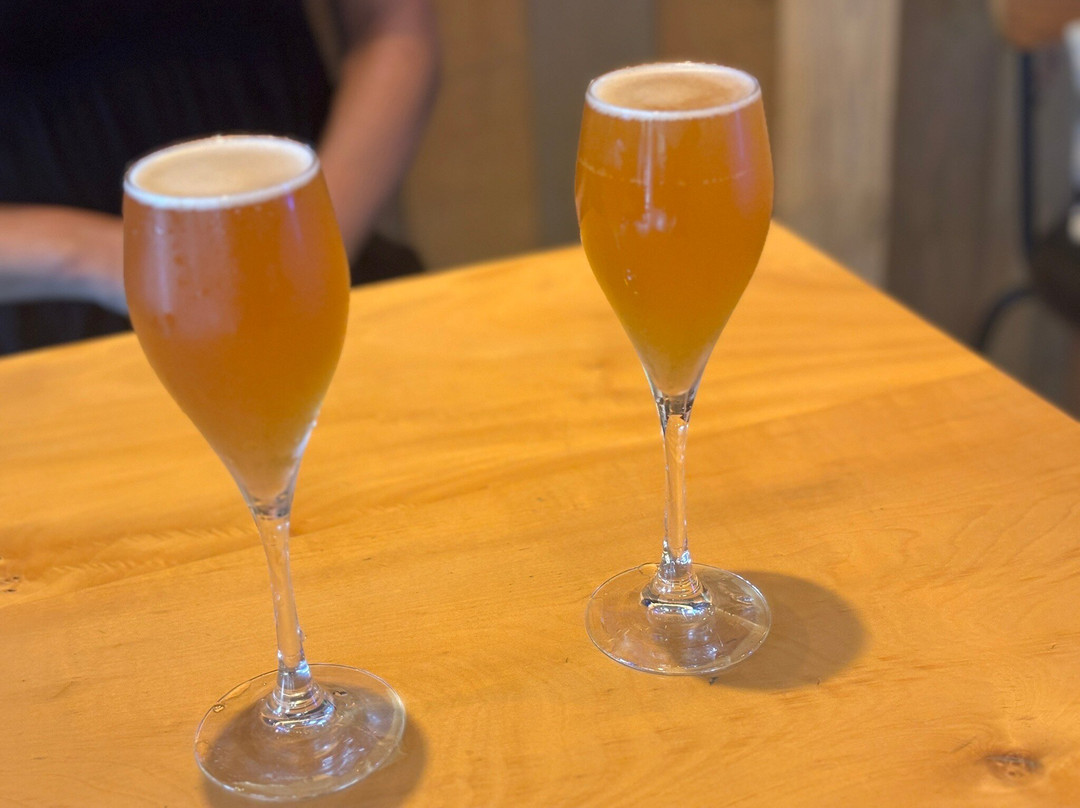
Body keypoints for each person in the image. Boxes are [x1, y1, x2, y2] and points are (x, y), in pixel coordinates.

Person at [0, 0, 439, 354]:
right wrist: (110, 258)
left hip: (308, 267)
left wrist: (313, 243)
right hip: (54, 322)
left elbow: (392, 27)